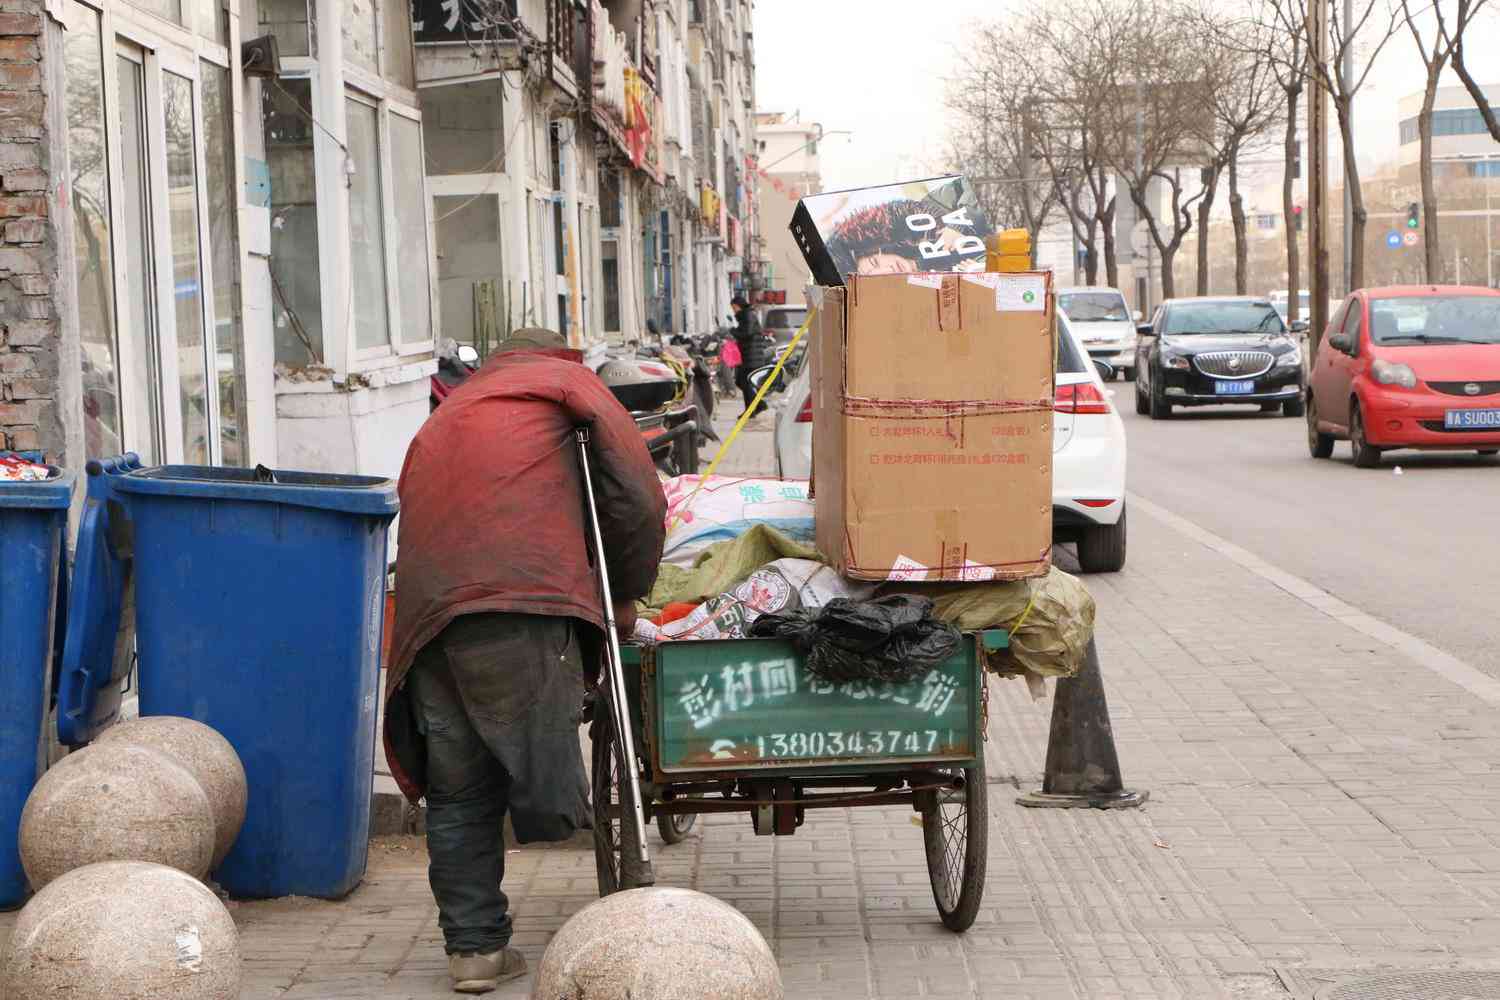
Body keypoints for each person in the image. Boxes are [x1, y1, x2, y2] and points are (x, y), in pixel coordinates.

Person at [383, 327, 666, 994]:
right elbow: (638, 499)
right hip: (525, 603)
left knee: (459, 792)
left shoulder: (450, 409)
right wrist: (625, 594)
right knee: (531, 772)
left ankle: (475, 951)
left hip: (432, 620)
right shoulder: (571, 388)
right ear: (559, 356)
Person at [732, 296, 771, 417]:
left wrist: (733, 332)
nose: (734, 310)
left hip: (752, 357)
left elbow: (747, 333)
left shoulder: (747, 315)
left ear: (739, 305)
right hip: (748, 356)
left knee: (745, 382)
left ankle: (751, 411)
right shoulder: (746, 316)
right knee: (742, 381)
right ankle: (758, 405)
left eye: (734, 307)